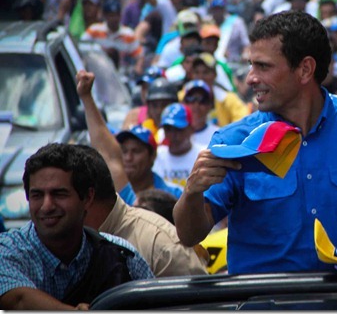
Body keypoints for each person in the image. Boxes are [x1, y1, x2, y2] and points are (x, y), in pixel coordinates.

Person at [174, 11, 337, 275]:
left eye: (263, 66)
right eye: (251, 65)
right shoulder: (232, 141)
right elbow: (188, 235)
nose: (250, 78)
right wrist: (192, 193)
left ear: (305, 69)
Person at [76, 70, 207, 277]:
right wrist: (86, 97)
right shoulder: (124, 197)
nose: (128, 157)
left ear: (152, 156)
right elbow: (108, 155)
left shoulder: (174, 195)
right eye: (124, 151)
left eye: (136, 151)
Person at [0, 143, 153, 310]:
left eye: (59, 194)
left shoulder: (121, 256)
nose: (47, 206)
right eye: (37, 195)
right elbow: (18, 300)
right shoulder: (8, 250)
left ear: (87, 198)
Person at [153, 102, 204, 187]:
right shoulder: (156, 156)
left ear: (191, 130)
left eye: (178, 129)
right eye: (168, 129)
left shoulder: (202, 156)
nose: (173, 135)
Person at [182, 79, 219, 148]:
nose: (196, 105)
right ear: (183, 103)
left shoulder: (218, 135)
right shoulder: (169, 133)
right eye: (191, 99)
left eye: (202, 100)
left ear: (210, 105)